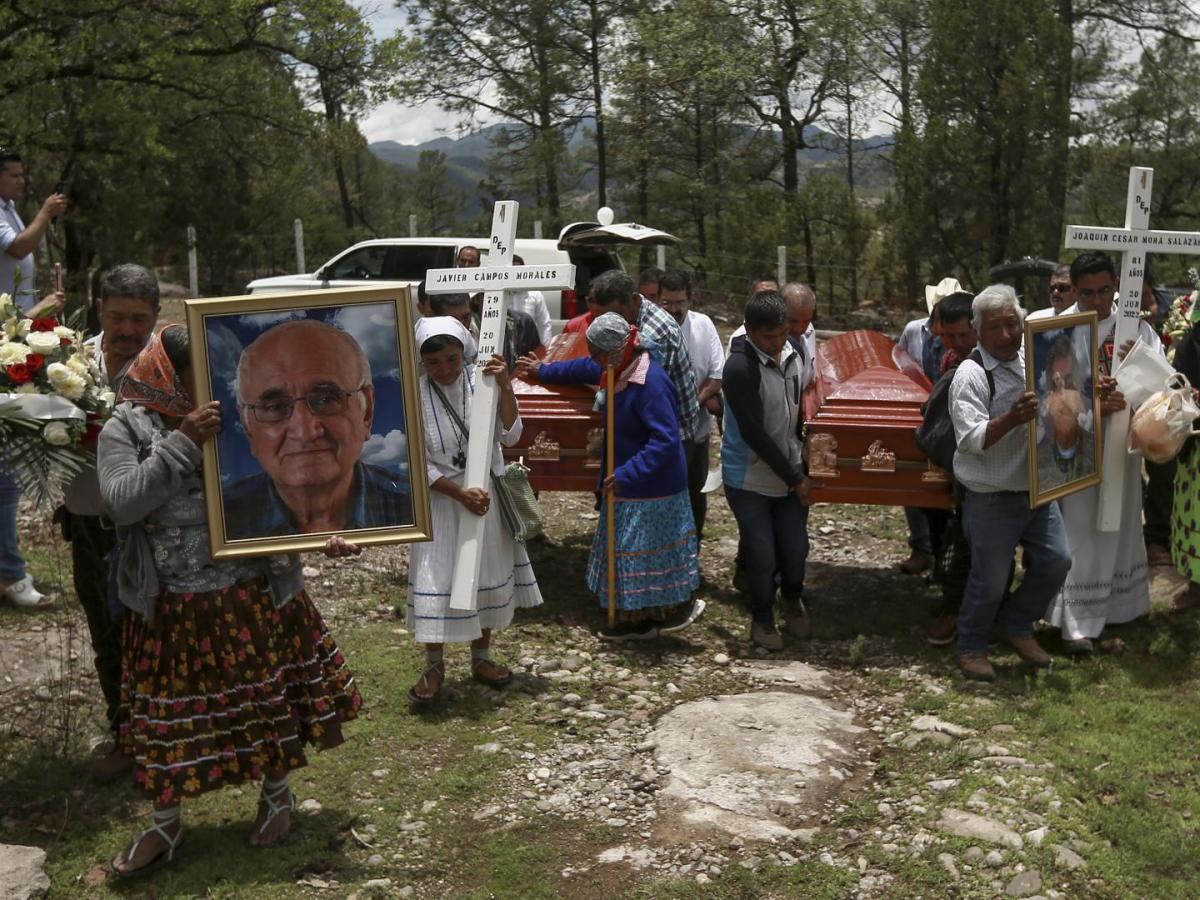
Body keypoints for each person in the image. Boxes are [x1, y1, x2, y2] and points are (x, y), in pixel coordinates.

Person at [98, 324, 362, 877]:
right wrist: (183, 443)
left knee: (266, 702)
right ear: (168, 376)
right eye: (198, 378)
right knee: (167, 723)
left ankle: (276, 795)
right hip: (170, 602)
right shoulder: (128, 425)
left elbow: (289, 491)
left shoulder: (242, 418)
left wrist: (326, 529)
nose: (210, 388)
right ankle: (165, 824)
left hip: (251, 594)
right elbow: (121, 503)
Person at [518, 313, 702, 640]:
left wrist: (627, 473)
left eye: (599, 355)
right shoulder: (616, 368)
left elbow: (665, 440)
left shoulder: (651, 382)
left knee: (640, 551)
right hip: (626, 480)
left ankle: (644, 620)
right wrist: (543, 371)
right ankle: (641, 614)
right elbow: (581, 368)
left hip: (649, 485)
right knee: (628, 550)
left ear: (616, 350)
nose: (595, 361)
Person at [57, 263, 161, 779]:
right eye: (117, 317)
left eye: (138, 320)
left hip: (146, 531)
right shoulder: (63, 360)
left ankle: (154, 738)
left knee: (148, 635)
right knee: (105, 635)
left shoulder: (168, 369)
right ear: (101, 311)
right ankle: (126, 733)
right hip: (85, 523)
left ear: (156, 318)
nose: (126, 330)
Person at [407, 317, 542, 702]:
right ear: (422, 362)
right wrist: (457, 492)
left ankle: (481, 657)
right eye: (434, 363)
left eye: (451, 359)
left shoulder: (481, 380)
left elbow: (511, 435)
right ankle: (434, 665)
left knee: (485, 572)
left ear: (463, 351)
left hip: (486, 498)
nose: (445, 370)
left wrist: (504, 386)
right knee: (440, 580)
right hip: (442, 501)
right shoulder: (413, 394)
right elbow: (415, 459)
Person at [949, 284, 1073, 681]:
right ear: (978, 330)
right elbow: (971, 440)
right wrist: (1010, 419)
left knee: (1057, 561)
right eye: (995, 327)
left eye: (1012, 324)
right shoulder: (971, 374)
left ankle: (1017, 624)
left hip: (1037, 489)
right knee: (990, 579)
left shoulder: (1034, 359)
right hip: (991, 496)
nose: (1006, 334)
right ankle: (970, 645)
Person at [1046, 250, 1158, 654]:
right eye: (1087, 292)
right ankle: (1075, 624)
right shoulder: (1055, 329)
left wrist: (1129, 392)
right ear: (1072, 289)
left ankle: (1116, 608)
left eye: (1105, 290)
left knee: (1121, 524)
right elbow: (1050, 394)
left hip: (1121, 446)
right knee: (1079, 533)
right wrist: (1093, 406)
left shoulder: (1136, 329)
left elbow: (1159, 380)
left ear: (1117, 286)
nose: (1097, 301)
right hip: (1077, 449)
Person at [224, 319, 413, 539]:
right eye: (275, 407)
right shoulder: (219, 521)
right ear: (247, 427)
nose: (305, 432)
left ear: (367, 411)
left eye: (325, 399)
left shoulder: (411, 505)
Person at [722, 291, 816, 650]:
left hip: (790, 467)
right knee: (761, 553)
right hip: (750, 477)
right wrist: (797, 479)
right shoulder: (739, 368)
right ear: (748, 331)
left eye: (781, 335)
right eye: (768, 338)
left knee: (795, 548)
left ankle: (792, 598)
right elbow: (754, 434)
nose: (777, 344)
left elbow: (799, 404)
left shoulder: (794, 351)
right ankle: (761, 617)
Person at [0, 149, 68, 608]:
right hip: (6, 335)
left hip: (12, 334)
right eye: (15, 175)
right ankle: (10, 575)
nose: (23, 181)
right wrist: (45, 212)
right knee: (5, 470)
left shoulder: (7, 208)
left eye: (25, 175)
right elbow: (18, 247)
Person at [584, 270, 701, 449]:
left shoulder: (656, 335)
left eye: (618, 314)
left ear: (635, 300)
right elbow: (600, 364)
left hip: (673, 437)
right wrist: (546, 370)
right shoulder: (628, 325)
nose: (613, 323)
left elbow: (645, 396)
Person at [896, 276, 963, 575]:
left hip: (950, 422)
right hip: (922, 416)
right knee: (914, 489)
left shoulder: (958, 349)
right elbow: (899, 363)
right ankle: (922, 549)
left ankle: (944, 564)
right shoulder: (913, 331)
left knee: (943, 499)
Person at [656, 268, 723, 538]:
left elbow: (717, 375)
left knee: (695, 493)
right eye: (667, 303)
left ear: (690, 299)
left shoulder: (703, 325)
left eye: (680, 303)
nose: (674, 309)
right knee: (664, 495)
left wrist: (694, 402)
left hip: (696, 431)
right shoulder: (649, 329)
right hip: (659, 432)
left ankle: (691, 554)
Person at [509, 254, 553, 346]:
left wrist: (545, 350)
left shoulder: (535, 295)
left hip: (528, 345)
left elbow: (544, 324)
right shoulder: (499, 295)